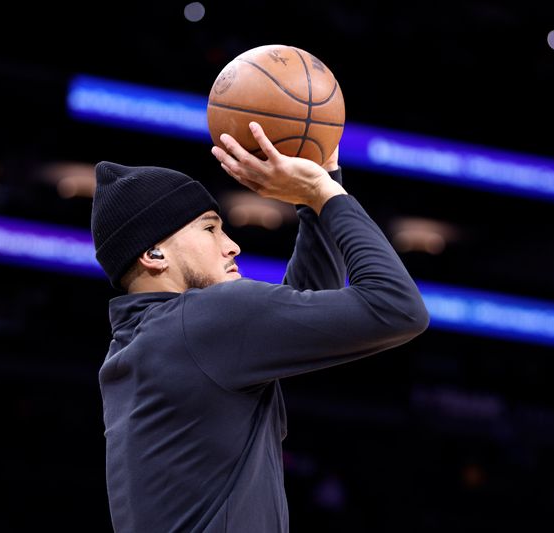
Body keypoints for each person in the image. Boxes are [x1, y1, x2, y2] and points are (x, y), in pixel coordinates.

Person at [91, 121, 429, 532]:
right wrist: (327, 194)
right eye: (210, 228)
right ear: (155, 253)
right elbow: (398, 307)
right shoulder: (201, 322)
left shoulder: (144, 343)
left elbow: (302, 308)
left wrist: (316, 193)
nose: (232, 244)